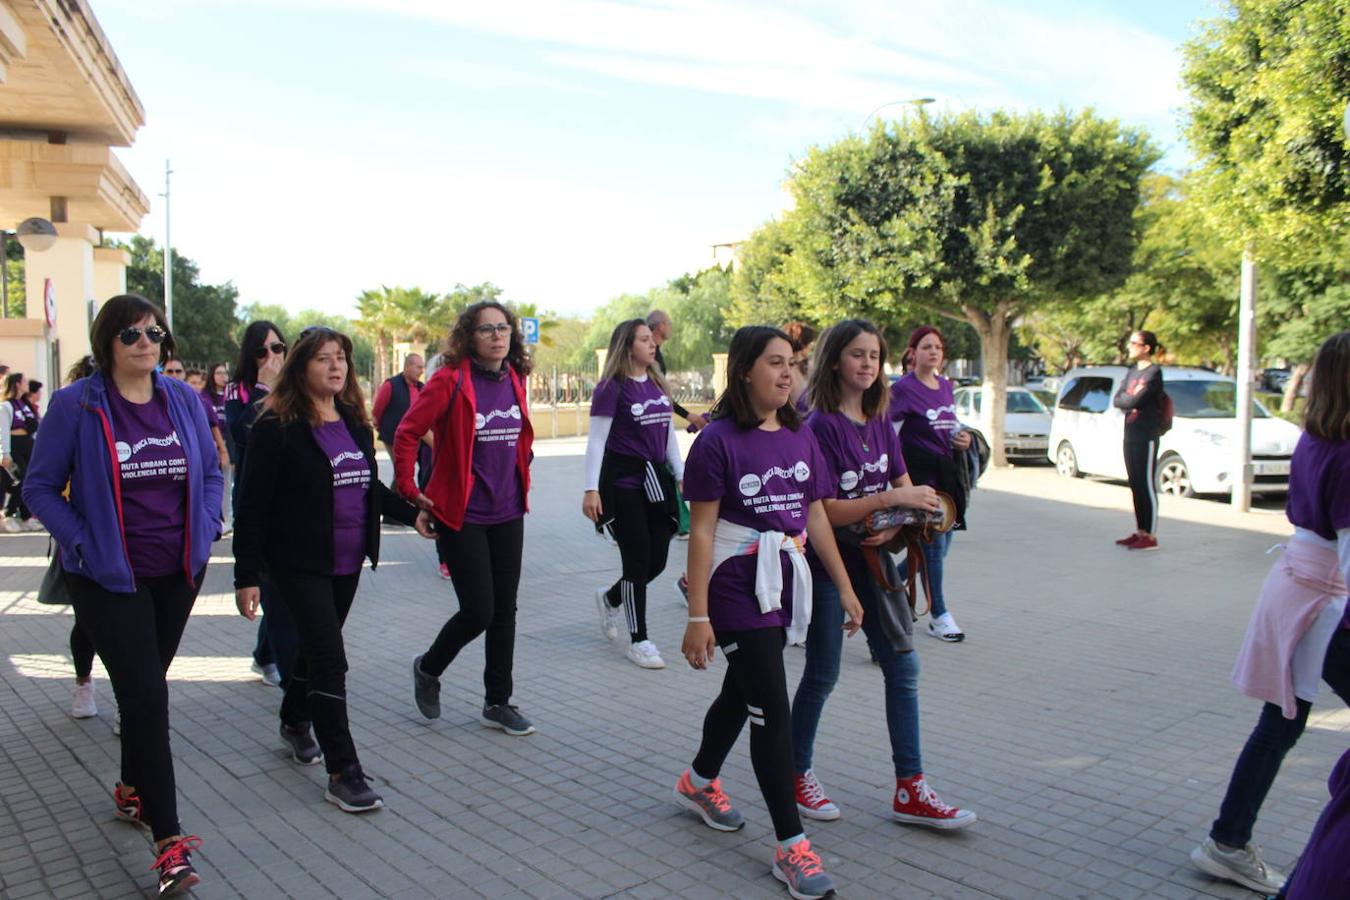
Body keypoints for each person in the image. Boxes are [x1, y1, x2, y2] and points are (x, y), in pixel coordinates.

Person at [23, 293, 222, 896]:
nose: (145, 343)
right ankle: (169, 844)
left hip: (176, 574)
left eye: (154, 333)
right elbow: (38, 488)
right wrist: (83, 543)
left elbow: (211, 473)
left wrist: (207, 528)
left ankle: (132, 789)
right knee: (148, 697)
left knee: (142, 694)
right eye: (131, 334)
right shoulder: (76, 405)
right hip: (109, 578)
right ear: (106, 342)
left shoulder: (182, 399)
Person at [673, 324, 857, 900]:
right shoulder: (716, 441)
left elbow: (816, 515)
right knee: (772, 709)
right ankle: (791, 847)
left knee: (743, 692)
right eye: (774, 362)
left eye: (791, 363)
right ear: (744, 371)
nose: (786, 373)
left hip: (780, 585)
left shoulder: (801, 435)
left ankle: (698, 782)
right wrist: (698, 616)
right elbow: (702, 532)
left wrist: (845, 587)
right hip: (733, 585)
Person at [790, 319, 977, 829]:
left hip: (875, 563)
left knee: (904, 668)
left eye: (874, 355)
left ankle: (910, 788)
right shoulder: (819, 426)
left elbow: (904, 488)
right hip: (828, 565)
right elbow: (824, 510)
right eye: (857, 354)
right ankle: (795, 772)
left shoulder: (879, 419)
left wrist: (903, 516)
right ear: (834, 360)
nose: (868, 363)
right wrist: (890, 500)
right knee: (822, 673)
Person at [234, 327, 427, 813]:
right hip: (297, 563)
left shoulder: (354, 422)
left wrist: (414, 515)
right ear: (301, 368)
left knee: (314, 653)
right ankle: (344, 772)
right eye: (323, 358)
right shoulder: (275, 426)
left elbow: (368, 488)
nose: (335, 366)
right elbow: (251, 505)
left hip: (347, 560)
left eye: (340, 357)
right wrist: (246, 575)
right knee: (330, 659)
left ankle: (294, 720)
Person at [1190, 330, 1350, 895]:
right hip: (1320, 603)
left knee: (1279, 725)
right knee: (1279, 725)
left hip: (1302, 593)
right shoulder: (1345, 450)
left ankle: (1228, 840)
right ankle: (1256, 848)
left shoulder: (1316, 439)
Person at [396, 302, 537, 733]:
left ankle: (498, 702)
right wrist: (410, 490)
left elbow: (519, 437)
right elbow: (407, 432)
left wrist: (523, 465)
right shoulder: (449, 380)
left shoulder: (515, 378)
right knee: (478, 611)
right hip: (463, 514)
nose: (497, 336)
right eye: (486, 329)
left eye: (503, 328)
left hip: (508, 509)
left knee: (505, 610)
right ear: (469, 337)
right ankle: (428, 667)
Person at [583, 318, 683, 669]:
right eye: (643, 339)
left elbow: (668, 434)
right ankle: (639, 640)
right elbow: (596, 442)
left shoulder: (657, 383)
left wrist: (681, 474)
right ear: (627, 346)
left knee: (657, 561)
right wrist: (590, 489)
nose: (652, 344)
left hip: (658, 483)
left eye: (651, 339)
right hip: (624, 485)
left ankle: (611, 598)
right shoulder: (611, 387)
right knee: (637, 561)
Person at [888, 326, 973, 642]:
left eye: (937, 347)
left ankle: (886, 588)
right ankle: (939, 615)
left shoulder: (946, 386)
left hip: (948, 476)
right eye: (926, 347)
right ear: (913, 353)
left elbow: (950, 425)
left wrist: (963, 439)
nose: (933, 352)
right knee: (933, 548)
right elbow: (886, 433)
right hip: (920, 477)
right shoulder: (902, 389)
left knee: (935, 550)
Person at [226, 321, 295, 689]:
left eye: (278, 348)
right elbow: (242, 433)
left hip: (292, 505)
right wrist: (264, 388)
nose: (271, 356)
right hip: (254, 500)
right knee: (273, 589)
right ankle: (282, 669)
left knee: (285, 592)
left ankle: (265, 654)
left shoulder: (297, 387)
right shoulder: (238, 391)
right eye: (262, 351)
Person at [373, 352, 448, 578]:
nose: (420, 371)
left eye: (422, 367)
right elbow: (378, 409)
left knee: (406, 475)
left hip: (420, 442)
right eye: (417, 366)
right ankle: (396, 512)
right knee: (401, 473)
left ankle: (396, 511)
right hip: (394, 435)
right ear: (406, 367)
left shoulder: (423, 388)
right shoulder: (391, 385)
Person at [1112, 330, 1165, 551]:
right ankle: (1140, 531)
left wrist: (1130, 400)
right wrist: (1129, 400)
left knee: (1146, 484)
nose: (1130, 346)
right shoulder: (1132, 371)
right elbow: (1118, 399)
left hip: (1146, 435)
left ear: (1146, 348)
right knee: (1134, 483)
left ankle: (1151, 536)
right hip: (1130, 433)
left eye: (1134, 343)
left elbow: (1138, 400)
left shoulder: (1154, 372)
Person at [646, 310, 708, 431]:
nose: (671, 328)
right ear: (661, 326)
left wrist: (689, 416)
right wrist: (689, 416)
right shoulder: (650, 357)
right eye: (669, 323)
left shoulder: (656, 354)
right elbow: (660, 393)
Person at [1, 370, 42, 531]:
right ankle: (9, 513)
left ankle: (26, 516)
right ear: (17, 384)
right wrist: (5, 453)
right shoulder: (6, 406)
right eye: (24, 381)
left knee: (31, 480)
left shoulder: (25, 405)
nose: (27, 384)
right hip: (15, 444)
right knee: (21, 479)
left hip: (27, 444)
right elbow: (3, 430)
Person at [206, 363, 232, 532]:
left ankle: (227, 518)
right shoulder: (206, 397)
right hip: (212, 445)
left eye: (225, 373)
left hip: (228, 443)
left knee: (227, 482)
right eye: (219, 373)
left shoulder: (230, 395)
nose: (223, 376)